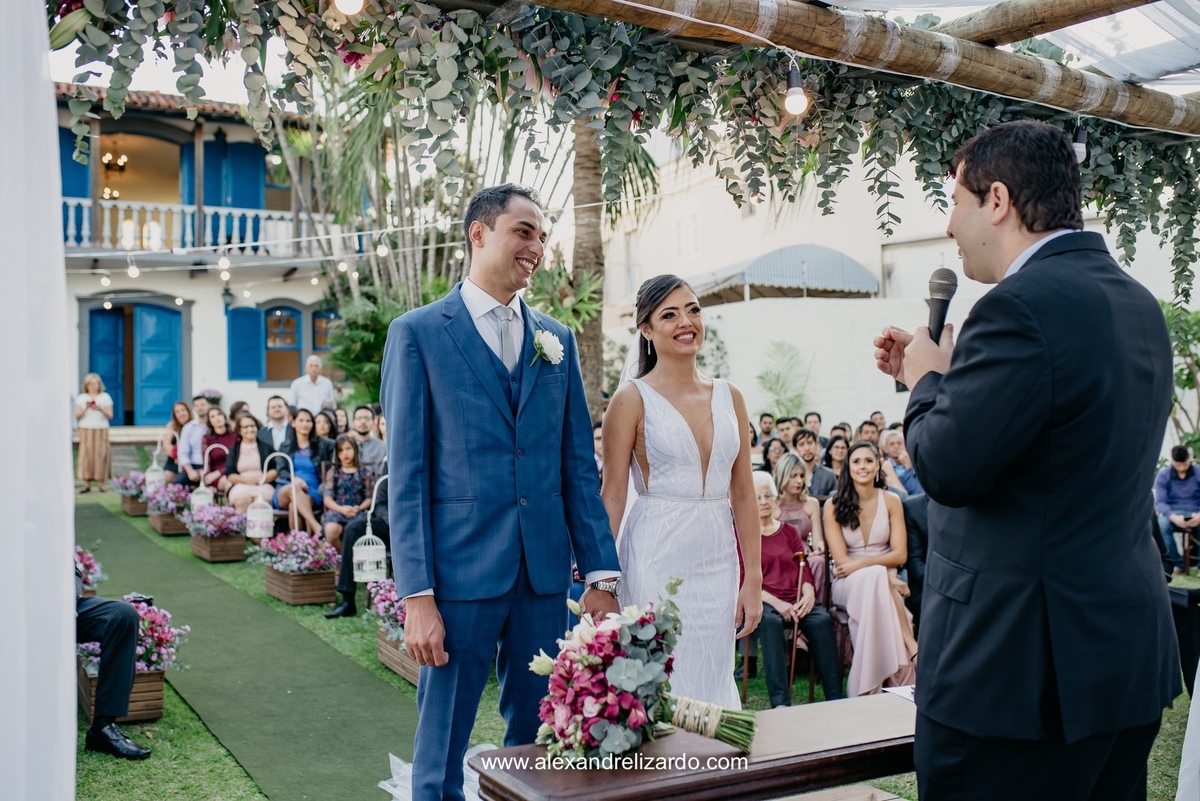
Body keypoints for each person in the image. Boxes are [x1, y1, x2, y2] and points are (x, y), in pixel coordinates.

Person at [874, 120, 1178, 801]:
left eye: (955, 202)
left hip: (1020, 681)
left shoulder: (1018, 306)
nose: (951, 226)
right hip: (1120, 661)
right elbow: (1054, 445)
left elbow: (947, 466)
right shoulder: (1137, 303)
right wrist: (956, 379)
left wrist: (926, 379)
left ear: (999, 201)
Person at [381, 183, 621, 801]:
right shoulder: (418, 334)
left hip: (544, 579)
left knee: (542, 741)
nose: (537, 246)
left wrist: (600, 576)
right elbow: (407, 479)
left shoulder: (557, 341)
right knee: (440, 749)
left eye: (542, 235)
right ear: (478, 233)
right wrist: (417, 596)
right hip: (458, 580)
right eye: (524, 231)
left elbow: (576, 468)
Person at [602, 273, 761, 710]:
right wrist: (601, 579)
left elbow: (744, 494)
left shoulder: (731, 396)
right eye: (669, 314)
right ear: (647, 330)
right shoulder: (631, 399)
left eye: (692, 309)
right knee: (659, 674)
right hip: (655, 551)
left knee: (711, 672)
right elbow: (613, 494)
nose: (685, 321)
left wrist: (754, 580)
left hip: (717, 558)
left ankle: (709, 772)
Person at [824, 441, 917, 697]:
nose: (862, 466)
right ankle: (909, 652)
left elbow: (900, 554)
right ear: (848, 467)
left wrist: (875, 570)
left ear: (878, 465)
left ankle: (869, 686)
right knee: (879, 579)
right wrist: (883, 575)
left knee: (878, 581)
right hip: (848, 583)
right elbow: (843, 564)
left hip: (882, 578)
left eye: (868, 461)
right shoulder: (832, 505)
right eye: (856, 461)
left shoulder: (892, 501)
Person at [747, 472, 842, 706]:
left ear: (775, 497)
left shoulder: (789, 531)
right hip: (766, 601)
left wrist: (809, 595)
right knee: (770, 623)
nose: (763, 502)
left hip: (797, 597)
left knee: (820, 620)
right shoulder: (746, 536)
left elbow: (805, 567)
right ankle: (780, 701)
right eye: (757, 497)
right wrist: (778, 604)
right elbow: (744, 579)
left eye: (768, 495)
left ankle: (836, 697)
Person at [76, 566, 150, 760]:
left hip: (57, 602)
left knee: (122, 615)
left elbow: (70, 569)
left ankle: (103, 727)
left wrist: (64, 599)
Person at [328, 413, 390, 619]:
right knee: (354, 528)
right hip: (390, 522)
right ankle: (347, 600)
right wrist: (389, 519)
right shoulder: (389, 461)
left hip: (418, 526)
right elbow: (379, 501)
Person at [774, 453, 828, 606]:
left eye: (802, 475)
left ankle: (814, 608)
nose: (799, 481)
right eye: (793, 476)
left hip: (805, 555)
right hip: (780, 557)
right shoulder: (772, 505)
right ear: (783, 476)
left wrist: (820, 548)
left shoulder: (811, 504)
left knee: (818, 562)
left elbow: (817, 540)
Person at [276, 408, 334, 536]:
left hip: (312, 490)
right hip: (287, 487)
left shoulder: (322, 445)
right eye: (301, 420)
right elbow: (281, 471)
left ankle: (300, 545)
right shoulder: (285, 446)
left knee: (294, 506)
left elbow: (339, 445)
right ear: (293, 423)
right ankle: (316, 527)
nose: (305, 424)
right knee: (293, 488)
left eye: (308, 421)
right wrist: (294, 479)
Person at [321, 434, 375, 553]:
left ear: (355, 450)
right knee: (331, 530)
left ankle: (353, 563)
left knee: (356, 528)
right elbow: (327, 499)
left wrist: (359, 508)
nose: (345, 453)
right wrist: (341, 509)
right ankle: (341, 562)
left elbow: (369, 498)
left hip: (358, 511)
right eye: (341, 450)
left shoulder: (365, 473)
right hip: (338, 511)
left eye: (348, 449)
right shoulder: (333, 473)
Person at [1154, 444, 1200, 575]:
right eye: (1177, 465)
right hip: (1173, 512)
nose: (1181, 468)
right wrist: (1172, 516)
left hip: (1196, 510)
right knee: (1161, 525)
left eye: (1184, 465)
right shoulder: (1163, 475)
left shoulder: (1198, 473)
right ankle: (1178, 564)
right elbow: (1160, 502)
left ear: (1189, 459)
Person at [220, 415, 280, 512]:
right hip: (240, 485)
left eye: (252, 426)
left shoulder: (267, 448)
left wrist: (261, 479)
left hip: (263, 485)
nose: (250, 429)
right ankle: (242, 526)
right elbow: (229, 474)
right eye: (245, 427)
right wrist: (246, 480)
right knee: (241, 499)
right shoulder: (234, 450)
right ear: (239, 430)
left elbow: (275, 469)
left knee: (261, 502)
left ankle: (261, 527)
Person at [75, 372, 113, 492]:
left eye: (94, 383)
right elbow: (77, 415)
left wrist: (100, 408)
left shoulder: (105, 397)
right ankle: (86, 484)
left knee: (101, 454)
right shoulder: (81, 398)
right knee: (86, 455)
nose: (92, 386)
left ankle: (101, 483)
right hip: (86, 428)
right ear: (86, 385)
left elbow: (110, 415)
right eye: (90, 384)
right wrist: (86, 407)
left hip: (101, 428)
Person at [174, 395, 210, 487]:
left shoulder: (214, 426)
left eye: (202, 404)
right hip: (194, 465)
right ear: (194, 408)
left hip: (211, 465)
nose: (200, 408)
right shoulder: (188, 427)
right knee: (178, 483)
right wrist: (190, 471)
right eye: (197, 405)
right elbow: (182, 453)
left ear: (208, 406)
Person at [793, 429, 836, 500]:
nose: (807, 448)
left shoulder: (829, 475)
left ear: (816, 445)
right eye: (801, 444)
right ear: (796, 449)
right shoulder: (789, 474)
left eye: (810, 443)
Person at [200, 407, 236, 489]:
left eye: (219, 414)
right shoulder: (207, 438)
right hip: (215, 476)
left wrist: (219, 472)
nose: (217, 418)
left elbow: (238, 459)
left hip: (233, 471)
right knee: (228, 483)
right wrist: (208, 483)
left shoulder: (235, 435)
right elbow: (206, 464)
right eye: (213, 416)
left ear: (224, 417)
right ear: (210, 422)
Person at [881, 429, 924, 498]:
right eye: (892, 444)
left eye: (899, 443)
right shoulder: (885, 467)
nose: (896, 446)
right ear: (885, 449)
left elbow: (919, 490)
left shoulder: (915, 462)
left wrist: (909, 466)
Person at [161, 400, 191, 484]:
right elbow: (166, 445)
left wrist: (183, 459)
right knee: (166, 477)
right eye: (177, 412)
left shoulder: (194, 425)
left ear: (188, 411)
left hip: (190, 460)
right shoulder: (172, 426)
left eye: (183, 410)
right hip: (174, 460)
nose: (181, 414)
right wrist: (177, 456)